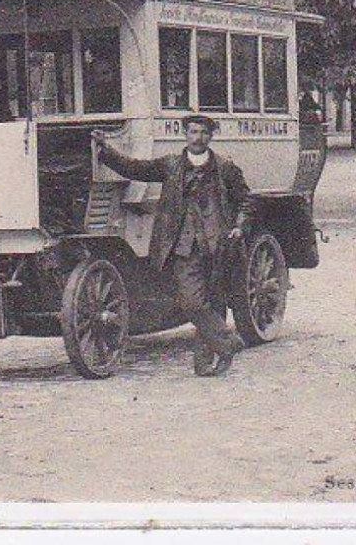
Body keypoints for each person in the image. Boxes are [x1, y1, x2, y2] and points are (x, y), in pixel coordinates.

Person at [92, 114, 251, 377]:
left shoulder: (225, 168)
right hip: (183, 247)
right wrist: (106, 152)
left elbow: (245, 200)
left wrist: (239, 226)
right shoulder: (170, 165)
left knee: (214, 301)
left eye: (203, 132)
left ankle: (205, 362)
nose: (197, 137)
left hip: (217, 245)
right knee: (191, 303)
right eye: (193, 132)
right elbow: (136, 168)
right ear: (185, 135)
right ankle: (228, 343)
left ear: (211, 136)